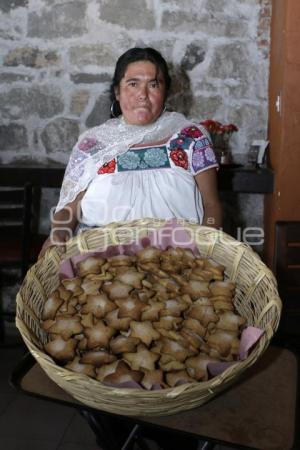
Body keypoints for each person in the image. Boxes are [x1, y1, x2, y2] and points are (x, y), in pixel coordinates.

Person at [39, 47, 222, 258]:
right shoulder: (93, 144)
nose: (142, 95)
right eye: (133, 84)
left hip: (178, 260)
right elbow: (70, 207)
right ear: (117, 91)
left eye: (153, 85)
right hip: (99, 263)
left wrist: (209, 244)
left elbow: (211, 204)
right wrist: (58, 232)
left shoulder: (191, 138)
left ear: (165, 92)